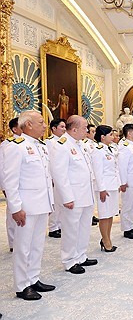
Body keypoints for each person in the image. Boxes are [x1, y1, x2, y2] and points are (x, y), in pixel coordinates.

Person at [3, 110, 56, 300]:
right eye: (41, 122)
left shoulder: (40, 146)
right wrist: (16, 208)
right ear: (28, 125)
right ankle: (22, 285)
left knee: (37, 245)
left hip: (41, 204)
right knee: (22, 246)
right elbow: (10, 181)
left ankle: (33, 278)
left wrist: (49, 203)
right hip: (26, 206)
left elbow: (45, 177)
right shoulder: (15, 146)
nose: (44, 125)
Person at [50, 115, 97, 275]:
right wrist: (67, 197)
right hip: (74, 196)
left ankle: (81, 255)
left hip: (86, 194)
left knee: (84, 227)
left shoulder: (80, 144)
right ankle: (69, 260)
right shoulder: (61, 145)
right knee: (71, 229)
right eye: (84, 128)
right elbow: (59, 174)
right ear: (75, 129)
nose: (87, 130)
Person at [91, 125, 120, 252]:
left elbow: (115, 168)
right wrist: (102, 189)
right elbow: (98, 172)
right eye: (110, 135)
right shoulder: (98, 150)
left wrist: (118, 183)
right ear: (102, 137)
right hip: (105, 187)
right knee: (104, 215)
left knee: (111, 214)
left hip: (112, 185)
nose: (113, 137)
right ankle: (105, 240)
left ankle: (107, 238)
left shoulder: (110, 149)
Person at [0, 117, 23, 252]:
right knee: (13, 212)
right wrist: (4, 187)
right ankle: (13, 243)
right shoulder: (8, 144)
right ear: (15, 129)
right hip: (13, 184)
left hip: (25, 184)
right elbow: (3, 168)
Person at [46, 118, 66, 238]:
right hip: (54, 177)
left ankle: (60, 224)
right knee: (55, 203)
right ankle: (53, 227)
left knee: (62, 202)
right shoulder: (49, 142)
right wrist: (52, 178)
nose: (64, 129)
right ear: (53, 128)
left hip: (63, 176)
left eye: (64, 127)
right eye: (61, 127)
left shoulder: (64, 141)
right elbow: (49, 161)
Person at [82, 124, 99, 226]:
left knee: (93, 197)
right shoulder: (85, 144)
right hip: (89, 173)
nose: (94, 134)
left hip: (94, 173)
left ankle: (91, 214)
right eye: (92, 132)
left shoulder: (95, 143)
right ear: (87, 134)